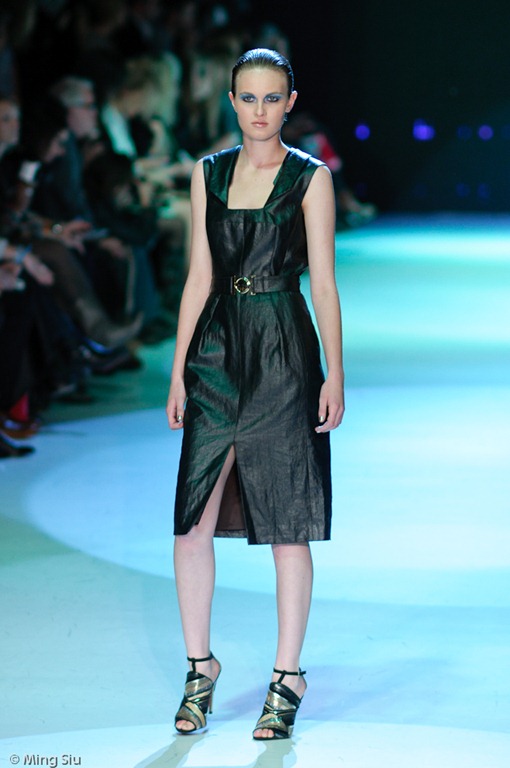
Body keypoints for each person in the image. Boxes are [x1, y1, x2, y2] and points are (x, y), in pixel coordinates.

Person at [166, 48, 345, 740]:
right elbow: (198, 276)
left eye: (273, 98)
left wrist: (335, 372)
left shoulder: (311, 178)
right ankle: (199, 667)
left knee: (287, 521)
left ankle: (286, 676)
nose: (260, 111)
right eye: (249, 98)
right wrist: (178, 370)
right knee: (191, 520)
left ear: (289, 103)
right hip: (215, 352)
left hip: (283, 351)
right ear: (233, 101)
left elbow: (323, 281)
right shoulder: (207, 173)